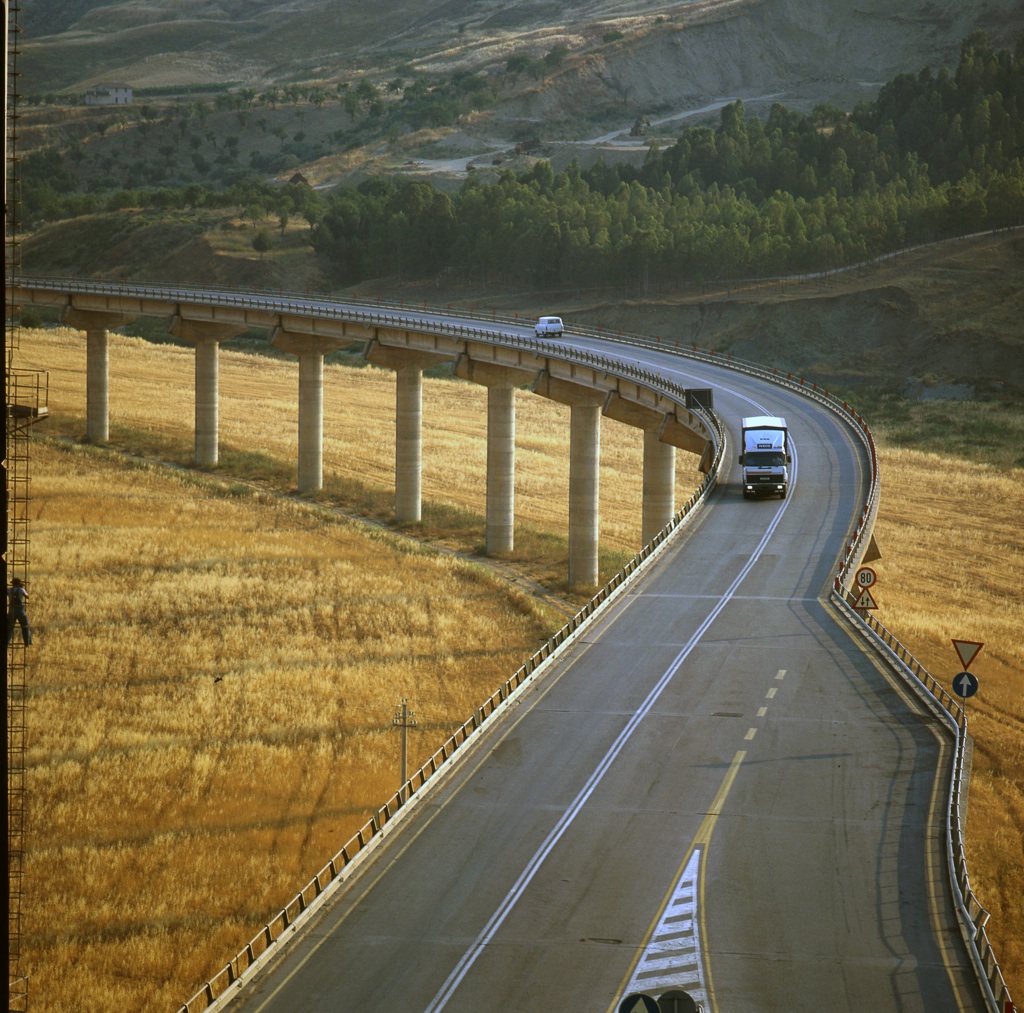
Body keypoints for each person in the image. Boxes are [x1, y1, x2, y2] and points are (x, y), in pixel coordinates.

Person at [7, 577, 32, 646]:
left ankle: (6, 642)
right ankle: (27, 642)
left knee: (9, 627)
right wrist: (23, 588)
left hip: (12, 611)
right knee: (25, 626)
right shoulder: (21, 589)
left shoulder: (9, 590)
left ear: (13, 584)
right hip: (20, 611)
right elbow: (27, 596)